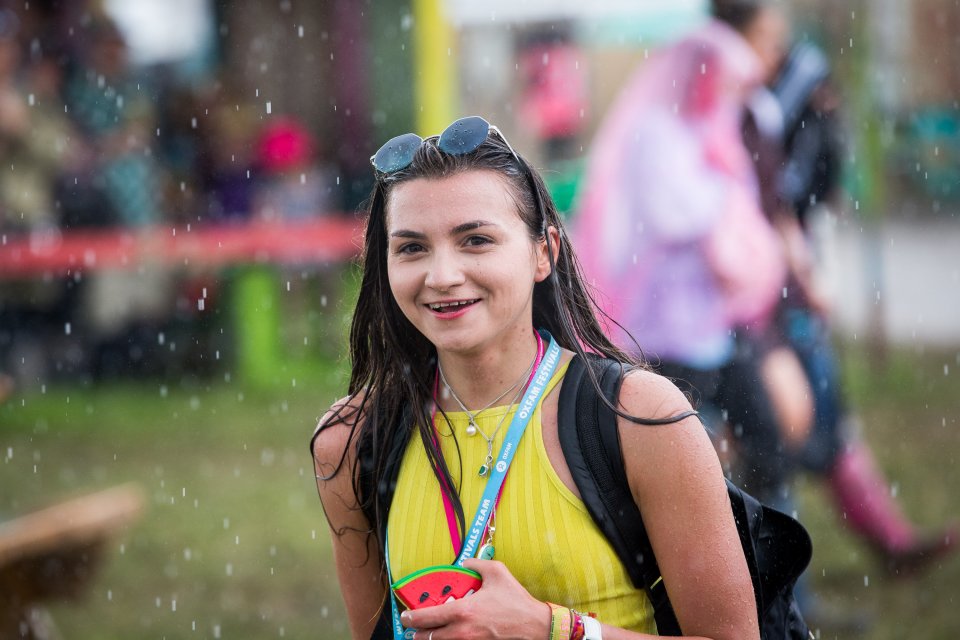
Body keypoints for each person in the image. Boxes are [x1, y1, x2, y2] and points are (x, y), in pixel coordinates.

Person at [311, 116, 759, 639]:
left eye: (475, 240)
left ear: (543, 251)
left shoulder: (640, 420)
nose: (442, 276)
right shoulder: (351, 441)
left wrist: (554, 630)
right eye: (411, 248)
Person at [573, 15, 794, 506]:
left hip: (711, 320)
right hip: (662, 324)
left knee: (761, 438)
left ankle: (771, 550)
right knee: (682, 443)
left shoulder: (708, 127)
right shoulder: (655, 131)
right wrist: (721, 196)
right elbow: (676, 215)